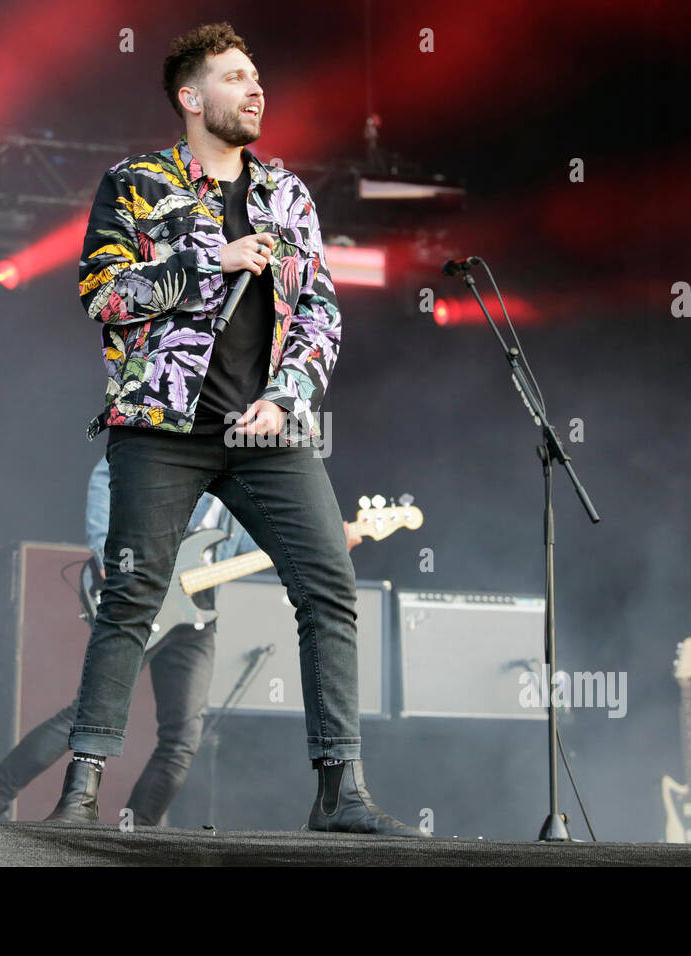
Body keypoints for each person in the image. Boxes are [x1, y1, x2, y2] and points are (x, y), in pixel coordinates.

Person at [50, 22, 425, 836]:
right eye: (234, 77)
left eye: (258, 77)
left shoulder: (288, 196)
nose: (256, 90)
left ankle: (340, 792)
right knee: (132, 600)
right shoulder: (137, 183)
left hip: (267, 432)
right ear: (191, 97)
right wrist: (202, 263)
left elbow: (321, 313)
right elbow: (102, 296)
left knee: (328, 588)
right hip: (161, 425)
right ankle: (81, 791)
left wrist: (288, 397)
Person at [0, 455, 253, 824]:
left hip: (197, 617)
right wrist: (109, 548)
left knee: (182, 739)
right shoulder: (184, 430)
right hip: (140, 598)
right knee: (83, 714)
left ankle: (132, 834)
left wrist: (310, 545)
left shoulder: (247, 472)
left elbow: (250, 544)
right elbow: (110, 471)